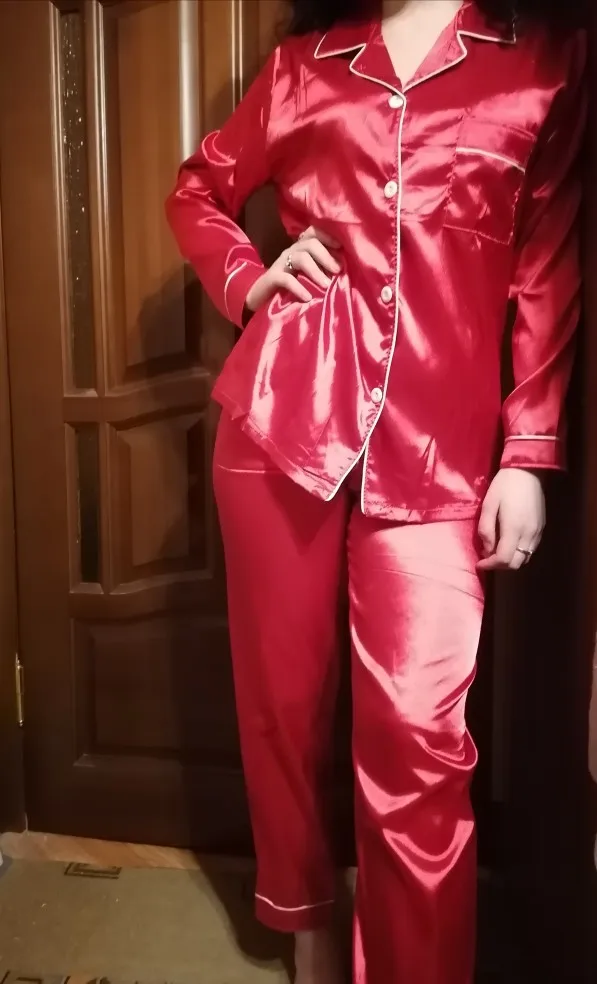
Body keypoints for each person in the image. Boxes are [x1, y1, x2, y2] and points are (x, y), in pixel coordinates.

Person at [166, 0, 586, 981]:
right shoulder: (304, 66)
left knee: (420, 744)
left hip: (440, 457)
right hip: (281, 429)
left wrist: (527, 451)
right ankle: (306, 921)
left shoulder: (544, 65)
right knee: (282, 711)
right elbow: (198, 190)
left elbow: (547, 264)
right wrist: (249, 278)